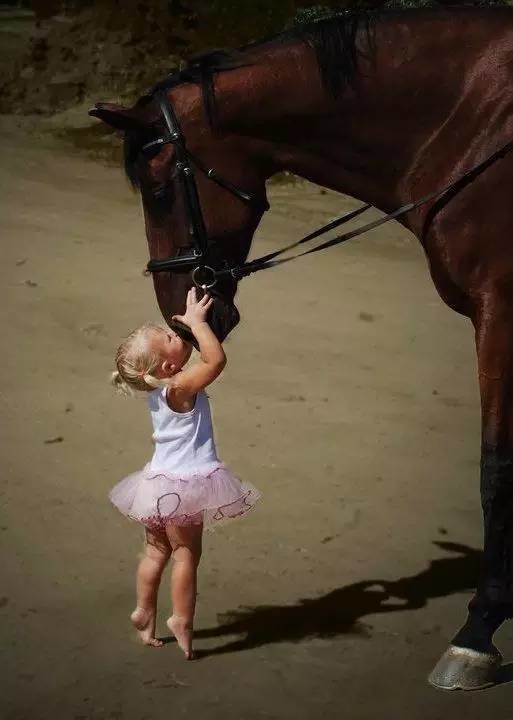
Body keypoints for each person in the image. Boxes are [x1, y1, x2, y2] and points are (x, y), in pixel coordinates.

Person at [109, 287, 261, 659]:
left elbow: (196, 359)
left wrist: (190, 327)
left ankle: (144, 611)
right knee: (186, 555)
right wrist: (197, 323)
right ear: (167, 367)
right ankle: (181, 619)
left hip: (155, 485)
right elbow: (215, 360)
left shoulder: (158, 391)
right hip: (184, 487)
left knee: (155, 551)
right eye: (170, 338)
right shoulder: (180, 387)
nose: (177, 334)